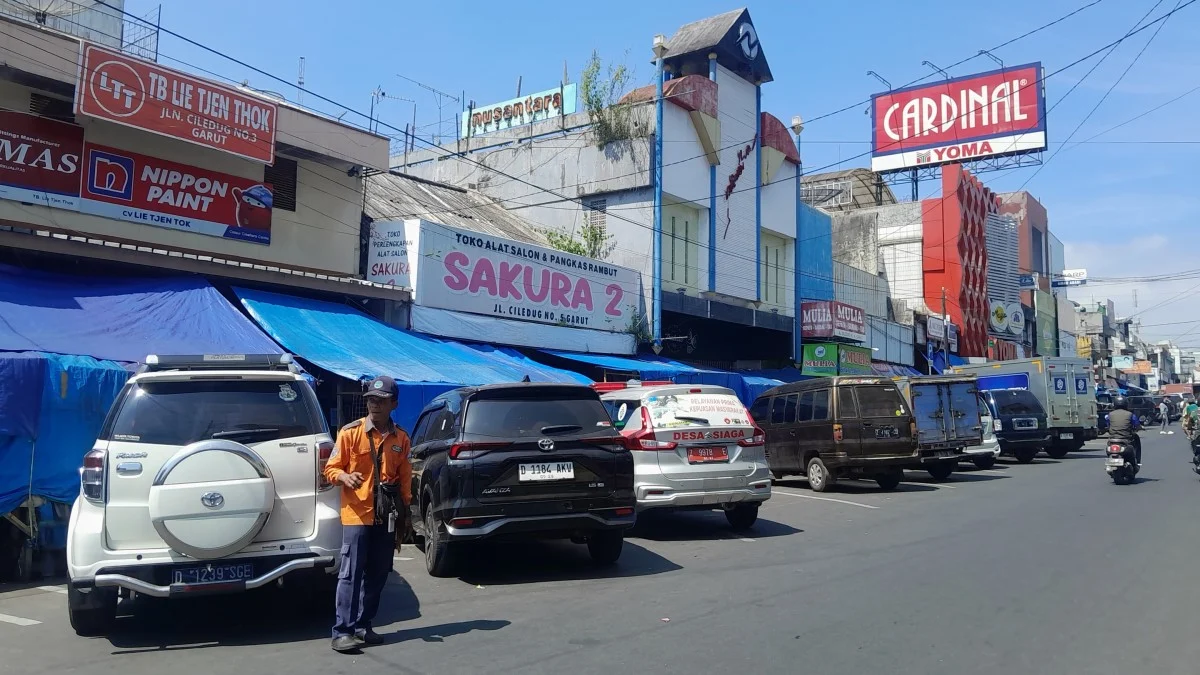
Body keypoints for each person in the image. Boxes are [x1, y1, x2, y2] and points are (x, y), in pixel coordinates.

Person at [322, 375, 412, 653]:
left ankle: (363, 625)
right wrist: (345, 477)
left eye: (381, 401)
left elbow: (405, 479)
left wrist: (405, 516)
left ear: (393, 404)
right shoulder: (350, 433)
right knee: (350, 574)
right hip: (357, 515)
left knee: (377, 575)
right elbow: (330, 469)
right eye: (371, 400)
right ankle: (342, 631)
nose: (375, 405)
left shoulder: (402, 438)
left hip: (386, 517)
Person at [1106, 395, 1141, 467]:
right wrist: (1139, 428)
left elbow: (1108, 425)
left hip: (1112, 439)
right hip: (1126, 439)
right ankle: (1137, 461)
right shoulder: (1130, 414)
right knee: (1136, 439)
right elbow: (1137, 425)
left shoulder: (1110, 414)